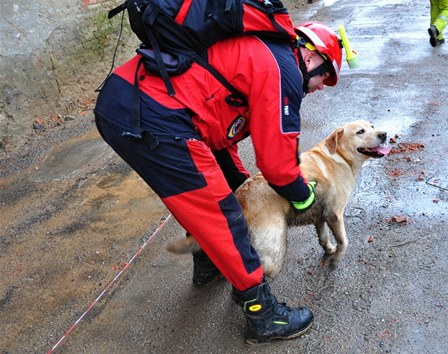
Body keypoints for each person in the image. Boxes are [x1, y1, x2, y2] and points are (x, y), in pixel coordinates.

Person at [93, 21, 343, 344]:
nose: (323, 86)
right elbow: (278, 166)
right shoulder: (284, 71)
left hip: (132, 99)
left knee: (223, 194)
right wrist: (304, 198)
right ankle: (261, 314)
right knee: (223, 214)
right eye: (326, 76)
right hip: (152, 115)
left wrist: (242, 185)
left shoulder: (262, 52)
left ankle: (208, 263)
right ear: (311, 57)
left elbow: (220, 133)